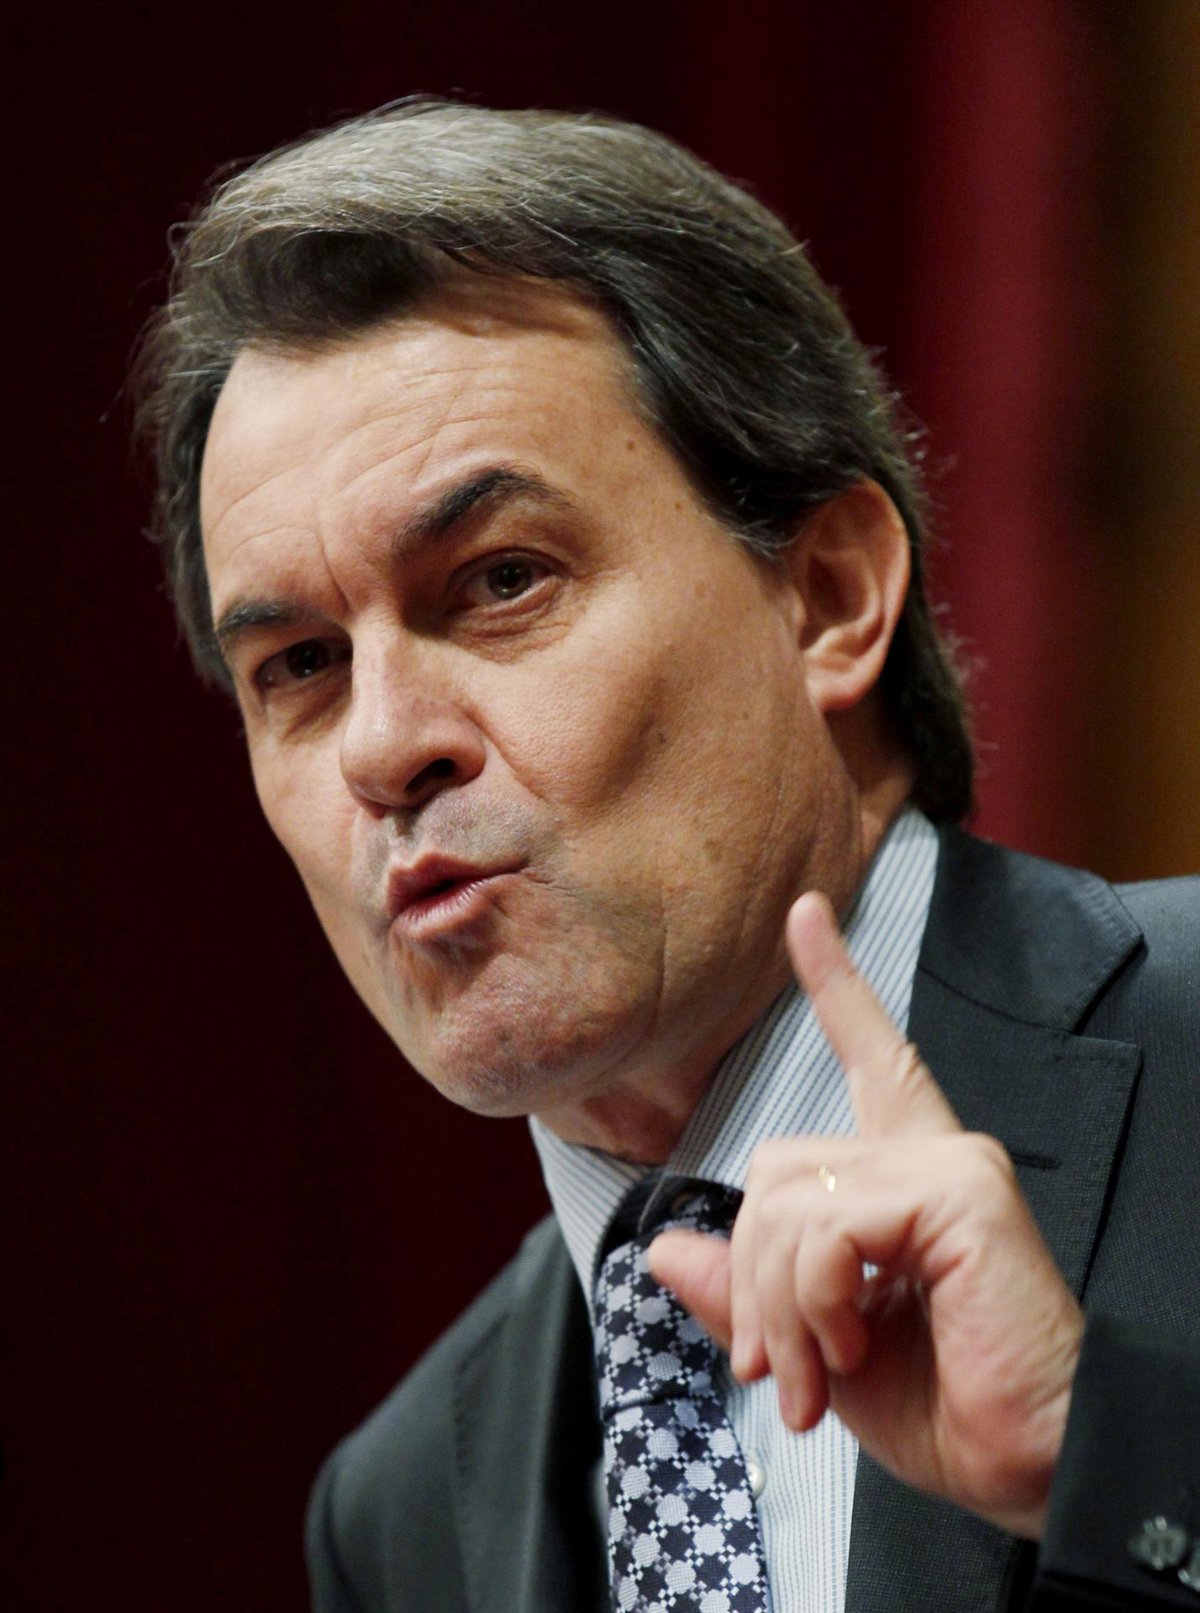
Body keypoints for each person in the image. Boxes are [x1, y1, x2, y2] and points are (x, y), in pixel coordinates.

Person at [134, 99, 1200, 1612]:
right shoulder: (401, 1515)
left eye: (501, 580)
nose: (381, 746)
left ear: (829, 593)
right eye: (300, 664)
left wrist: (1110, 1464)